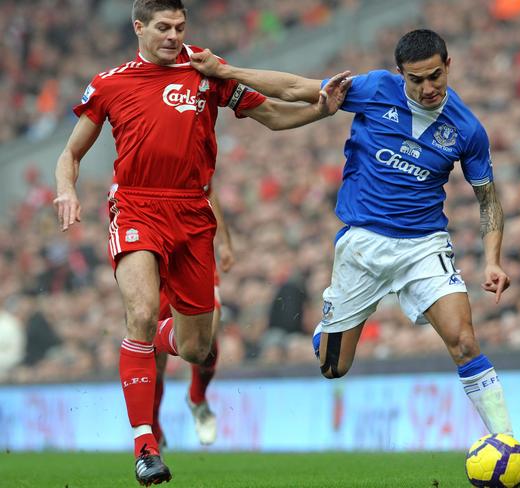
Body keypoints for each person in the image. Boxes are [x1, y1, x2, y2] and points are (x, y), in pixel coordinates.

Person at [188, 29, 520, 486]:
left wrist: (492, 260)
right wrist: (226, 70)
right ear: (401, 75)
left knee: (465, 342)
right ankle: (329, 327)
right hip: (362, 245)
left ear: (448, 65)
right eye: (417, 80)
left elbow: (488, 200)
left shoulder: (468, 129)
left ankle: (510, 451)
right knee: (333, 367)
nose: (428, 88)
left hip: (424, 246)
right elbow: (297, 88)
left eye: (435, 76)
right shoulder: (375, 89)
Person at [53, 0, 350, 485]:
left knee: (195, 347)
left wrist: (321, 111)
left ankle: (153, 347)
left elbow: (273, 115)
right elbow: (70, 153)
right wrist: (66, 188)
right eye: (164, 27)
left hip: (193, 213)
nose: (173, 35)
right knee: (143, 313)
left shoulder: (205, 70)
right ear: (139, 28)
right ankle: (145, 446)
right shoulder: (111, 83)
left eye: (180, 27)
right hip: (136, 206)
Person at [153, 188, 234, 448]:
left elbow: (209, 189)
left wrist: (225, 242)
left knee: (207, 333)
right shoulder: (137, 156)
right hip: (155, 254)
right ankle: (152, 426)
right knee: (155, 356)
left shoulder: (193, 149)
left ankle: (197, 397)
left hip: (194, 250)